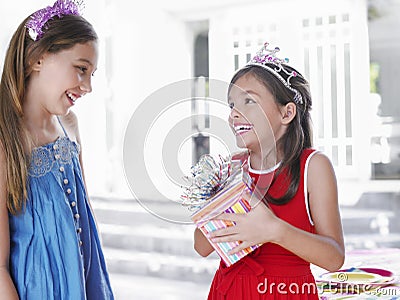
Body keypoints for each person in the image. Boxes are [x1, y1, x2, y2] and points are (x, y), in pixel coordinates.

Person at [194, 42, 345, 299]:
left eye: (248, 100)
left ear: (286, 113)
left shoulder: (313, 166)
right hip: (229, 290)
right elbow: (202, 247)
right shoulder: (233, 167)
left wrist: (274, 230)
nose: (234, 114)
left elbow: (334, 258)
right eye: (231, 105)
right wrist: (219, 196)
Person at [0, 1, 114, 299]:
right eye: (80, 69)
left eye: (92, 74)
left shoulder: (70, 126)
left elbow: (85, 220)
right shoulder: (5, 141)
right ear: (38, 58)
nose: (87, 86)